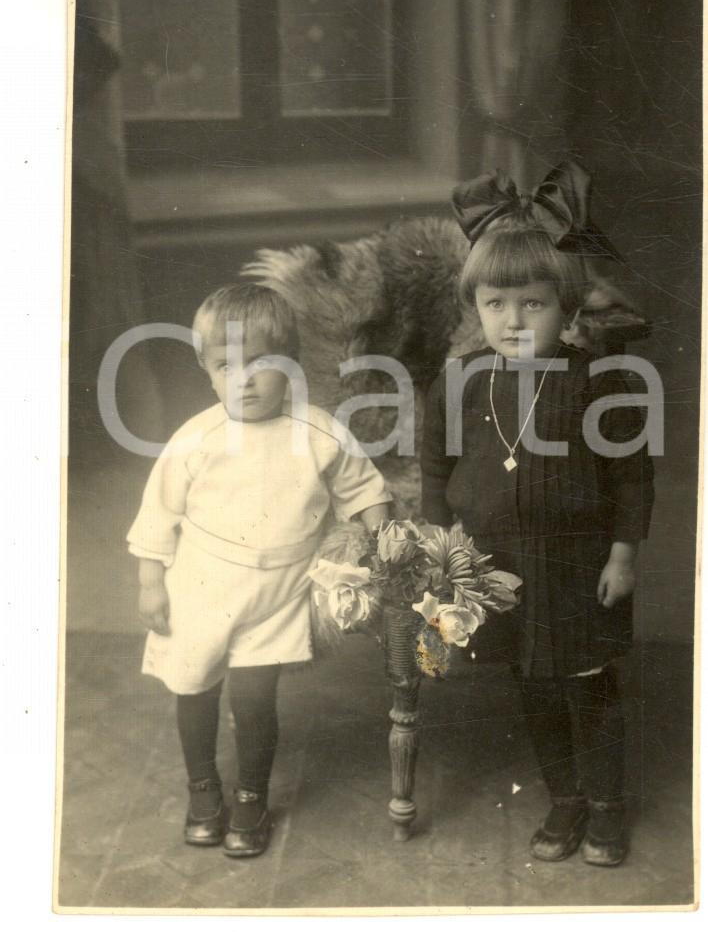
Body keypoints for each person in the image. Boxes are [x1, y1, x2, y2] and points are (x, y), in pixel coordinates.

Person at [421, 163, 655, 867]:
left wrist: (622, 555)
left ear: (568, 305)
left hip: (580, 568)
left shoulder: (599, 381)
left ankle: (608, 804)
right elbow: (435, 464)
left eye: (532, 304)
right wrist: (441, 539)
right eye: (496, 304)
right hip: (501, 567)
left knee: (590, 687)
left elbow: (632, 475)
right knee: (534, 686)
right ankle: (566, 797)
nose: (513, 321)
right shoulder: (461, 380)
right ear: (476, 306)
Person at [127, 283, 391, 858]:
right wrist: (151, 581)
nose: (243, 380)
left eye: (261, 365)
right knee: (193, 688)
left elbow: (364, 491)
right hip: (201, 586)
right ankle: (203, 790)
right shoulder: (196, 439)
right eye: (226, 365)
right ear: (206, 369)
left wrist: (383, 536)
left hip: (278, 591)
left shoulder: (319, 430)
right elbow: (157, 514)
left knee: (253, 701)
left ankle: (251, 796)